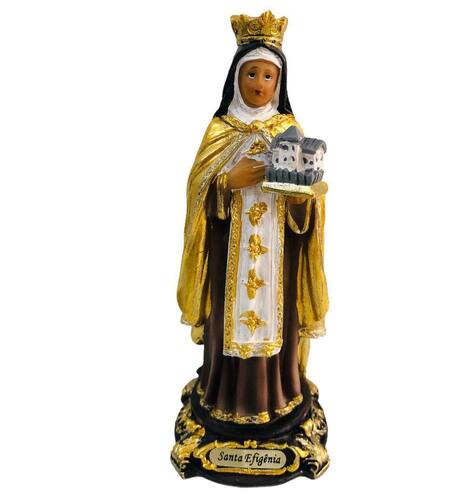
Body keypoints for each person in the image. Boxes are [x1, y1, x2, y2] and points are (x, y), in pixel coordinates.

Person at [177, 11, 328, 425]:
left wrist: (301, 199)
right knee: (230, 315)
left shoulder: (288, 128)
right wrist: (226, 182)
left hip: (278, 252)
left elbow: (307, 200)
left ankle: (279, 395)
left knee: (276, 313)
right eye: (251, 74)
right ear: (236, 77)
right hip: (231, 250)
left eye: (267, 76)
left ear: (278, 82)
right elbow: (197, 191)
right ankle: (224, 397)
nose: (259, 84)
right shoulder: (221, 129)